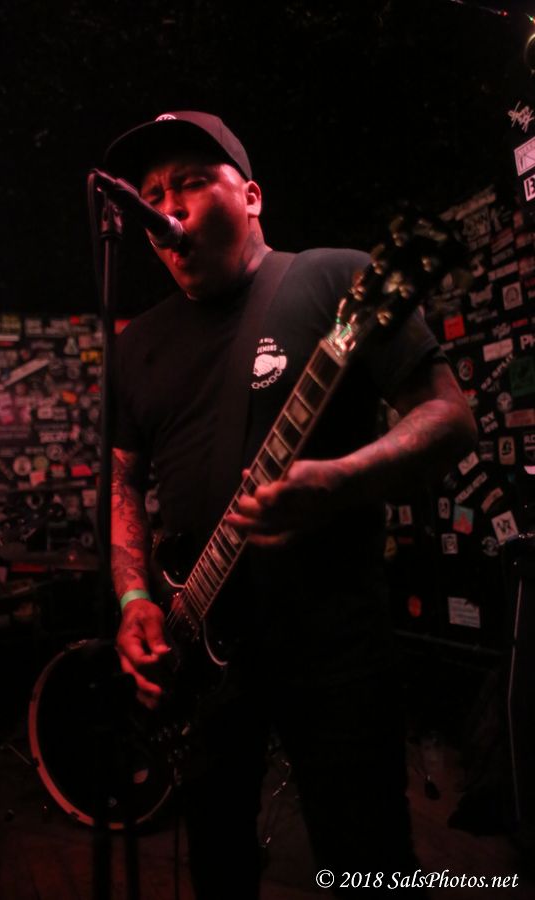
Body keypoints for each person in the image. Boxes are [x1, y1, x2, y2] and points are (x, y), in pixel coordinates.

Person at [106, 111, 477, 897]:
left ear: (251, 196)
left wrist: (346, 477)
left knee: (368, 861)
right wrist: (137, 599)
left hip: (334, 646)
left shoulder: (337, 279)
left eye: (189, 183)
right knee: (218, 867)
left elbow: (450, 418)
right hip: (199, 654)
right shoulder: (136, 344)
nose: (166, 209)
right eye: (150, 196)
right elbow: (123, 483)